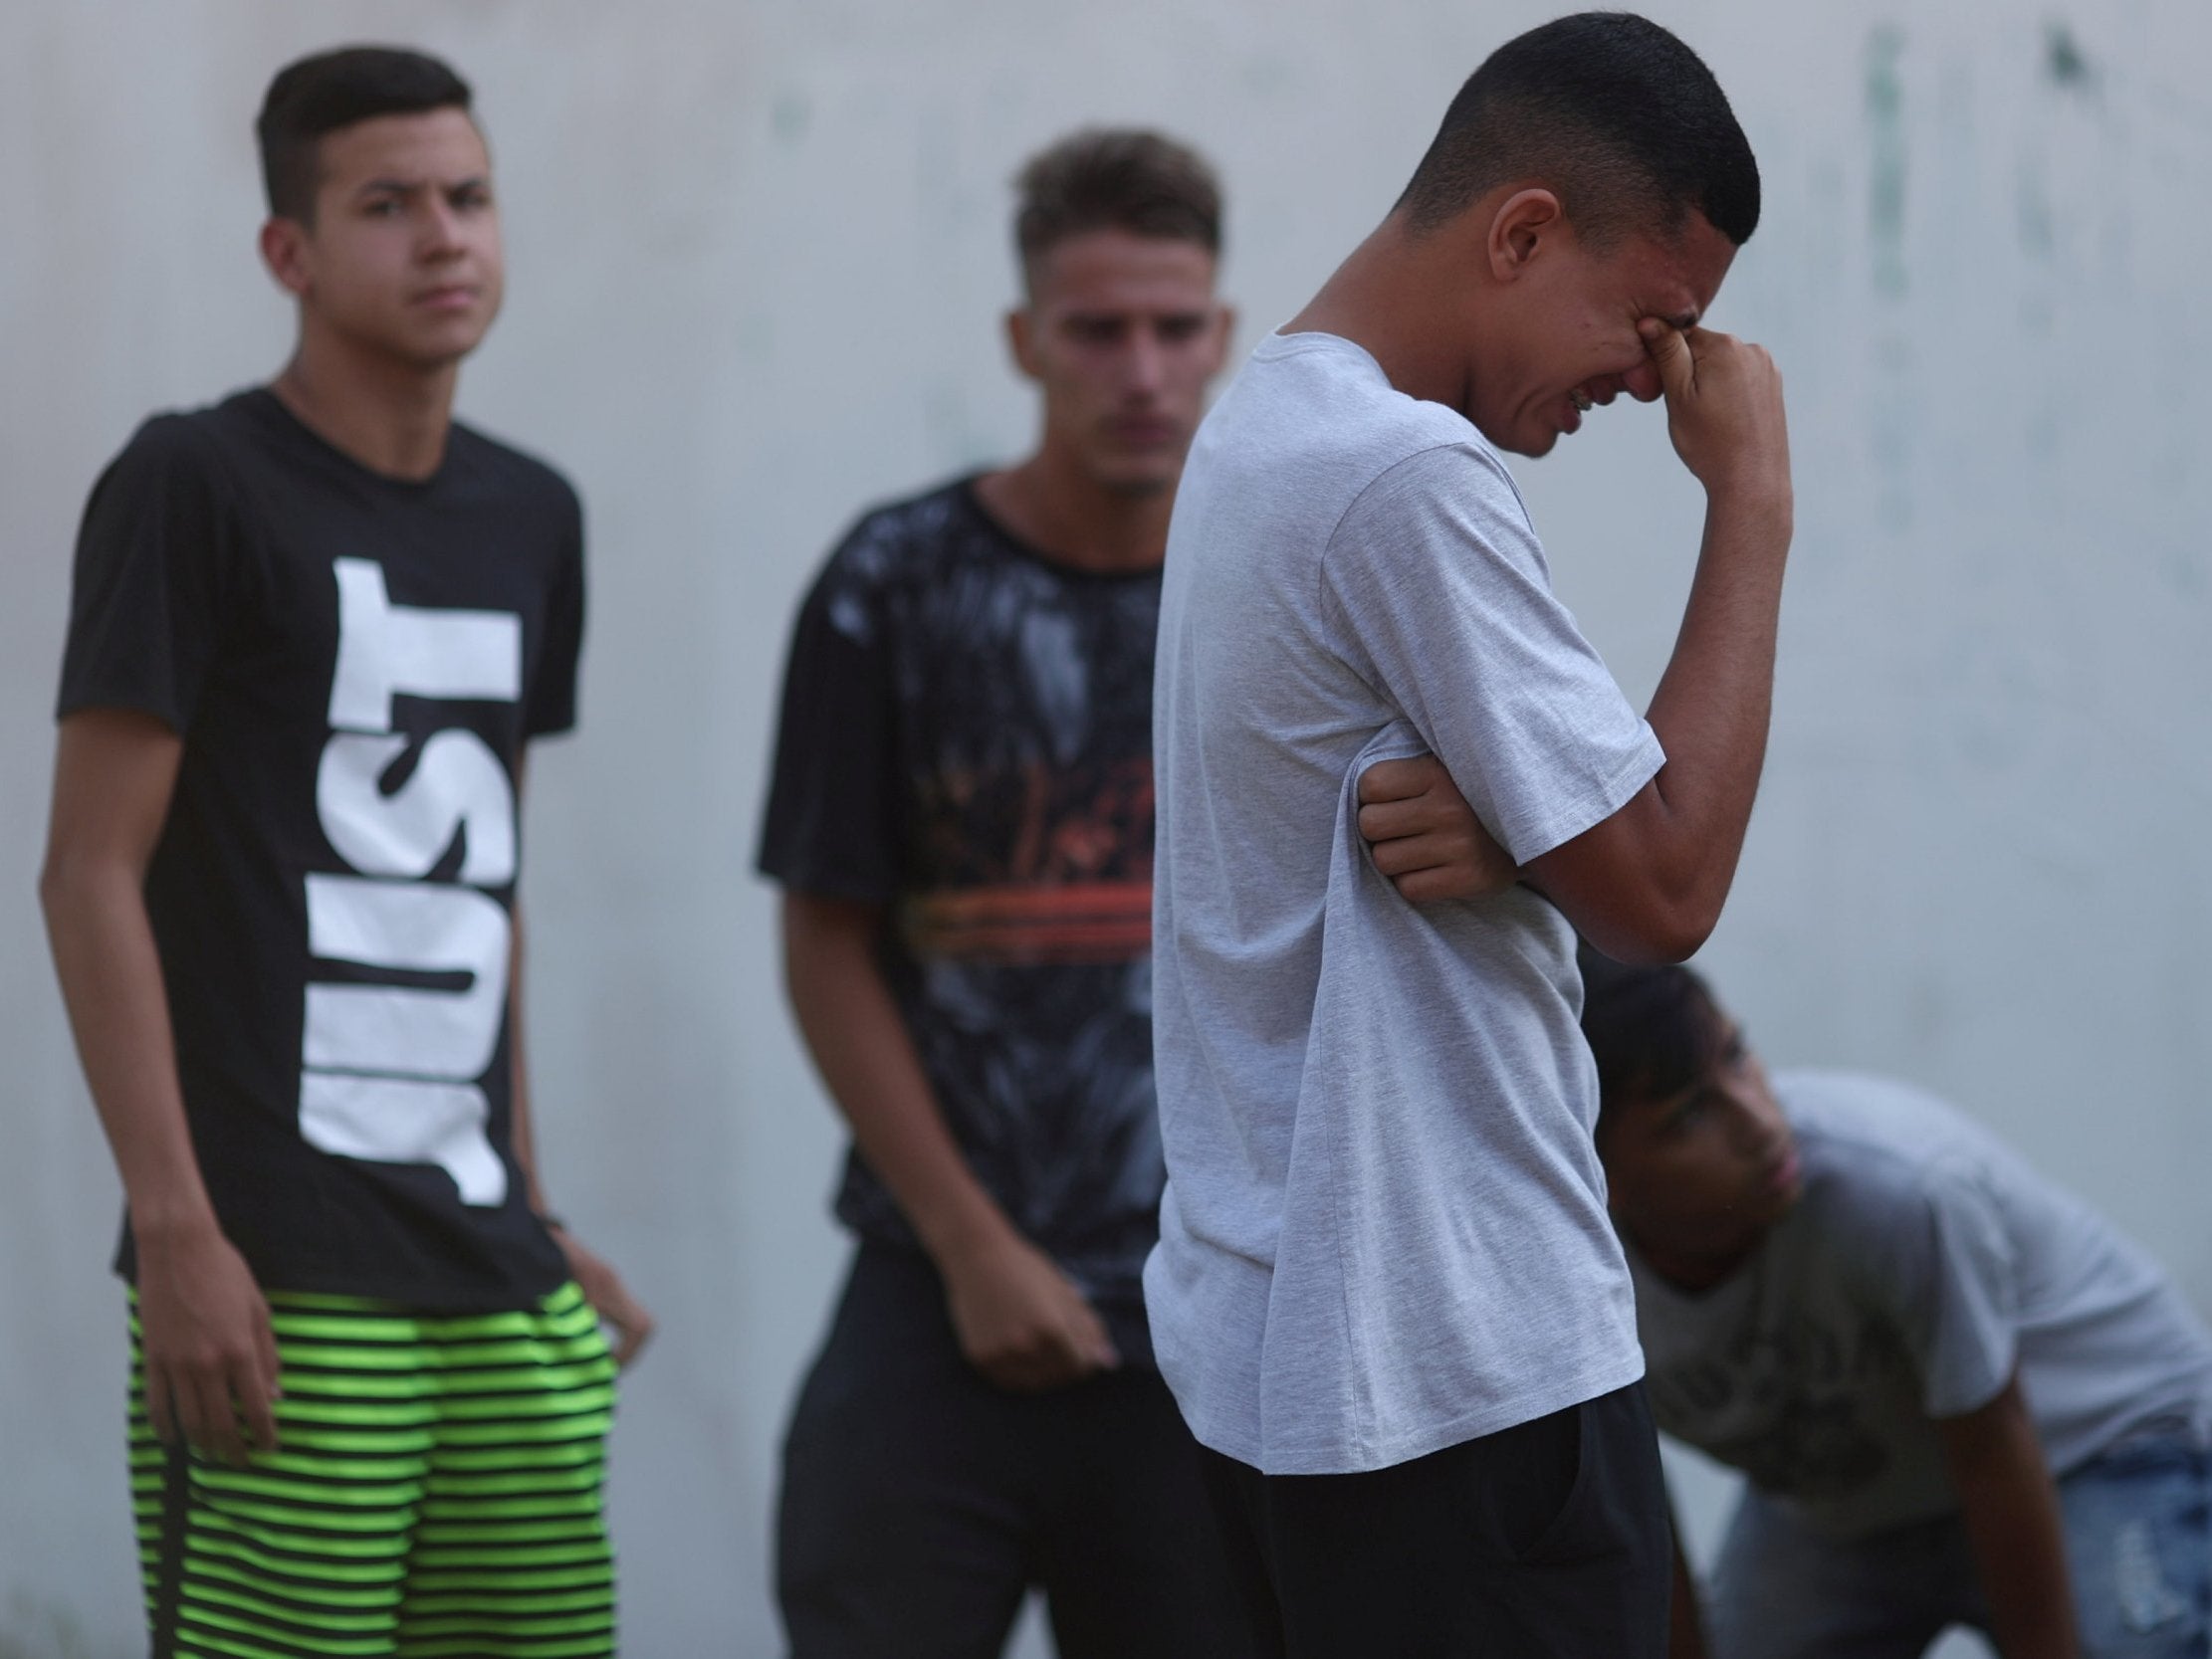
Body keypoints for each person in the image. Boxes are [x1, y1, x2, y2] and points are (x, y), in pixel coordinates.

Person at [758, 126, 1509, 1659]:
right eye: (1097, 330)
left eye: (1175, 328)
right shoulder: (889, 584)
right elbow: (826, 940)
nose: (1141, 369)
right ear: (1023, 338)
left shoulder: (1298, 573)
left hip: (1221, 1312)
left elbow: (1471, 861)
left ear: (1225, 333)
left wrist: (1501, 832)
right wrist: (970, 1243)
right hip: (938, 1288)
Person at [1147, 12, 1795, 1655]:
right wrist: (1752, 508)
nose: (1650, 379)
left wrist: (1519, 839)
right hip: (1453, 1364)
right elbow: (1661, 885)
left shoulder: (1259, 427)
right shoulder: (1400, 479)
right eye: (1651, 320)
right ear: (1521, 230)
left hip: (1277, 1356)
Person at [40, 46, 651, 1659]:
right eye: (387, 205)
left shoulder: (535, 513)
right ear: (287, 253)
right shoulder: (195, 481)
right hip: (280, 1277)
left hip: (493, 1270)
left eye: (469, 197)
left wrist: (530, 1200)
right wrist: (175, 1230)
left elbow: (481, 884)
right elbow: (86, 870)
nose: (444, 236)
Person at [1579, 952, 2212, 1659]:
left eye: (1736, 1055)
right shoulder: (1579, 1284)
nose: (1759, 1120)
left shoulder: (1899, 1188)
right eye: (1691, 1113)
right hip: (1855, 1499)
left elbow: (1994, 1448)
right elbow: (1644, 1531)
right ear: (1599, 1174)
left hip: (2087, 1446)